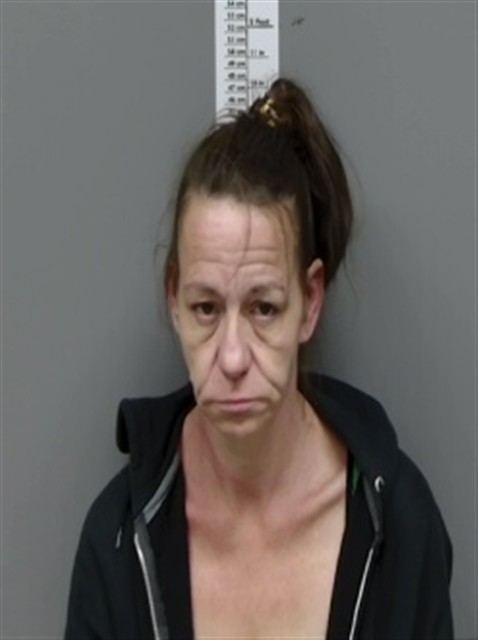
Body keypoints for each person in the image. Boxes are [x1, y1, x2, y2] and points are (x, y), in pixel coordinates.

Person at [65, 78, 454, 640]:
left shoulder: (399, 525)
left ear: (310, 302)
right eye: (205, 308)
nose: (231, 357)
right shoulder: (119, 542)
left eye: (264, 308)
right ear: (173, 299)